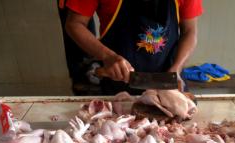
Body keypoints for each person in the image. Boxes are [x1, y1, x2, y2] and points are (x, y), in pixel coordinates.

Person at [64, 0, 203, 94]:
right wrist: (108, 56)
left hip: (168, 82)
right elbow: (74, 24)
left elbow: (189, 31)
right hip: (118, 85)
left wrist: (177, 68)